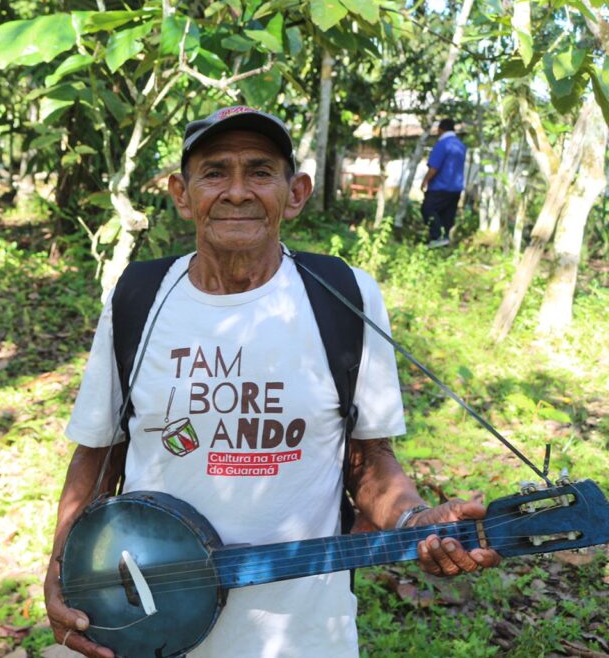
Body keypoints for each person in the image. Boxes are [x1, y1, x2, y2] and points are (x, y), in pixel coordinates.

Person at [44, 106, 500, 658]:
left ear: (296, 192)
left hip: (302, 630)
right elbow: (99, 452)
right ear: (181, 194)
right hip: (146, 619)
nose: (237, 191)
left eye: (260, 172)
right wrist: (62, 567)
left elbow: (368, 458)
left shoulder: (345, 296)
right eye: (215, 172)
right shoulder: (139, 296)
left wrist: (412, 520)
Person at [420, 118, 467, 248]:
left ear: (441, 129)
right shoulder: (460, 145)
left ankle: (437, 237)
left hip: (440, 186)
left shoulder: (442, 144)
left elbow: (434, 167)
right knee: (447, 215)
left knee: (427, 209)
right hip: (456, 187)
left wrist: (425, 181)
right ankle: (443, 243)